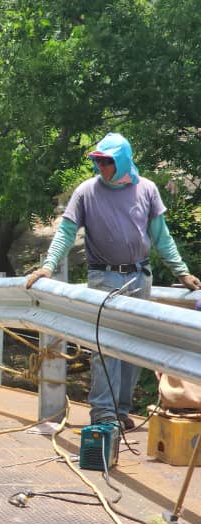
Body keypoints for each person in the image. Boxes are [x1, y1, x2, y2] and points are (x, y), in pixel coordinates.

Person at [25, 132, 201, 428]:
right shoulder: (86, 192)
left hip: (139, 275)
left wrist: (182, 272)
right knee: (104, 347)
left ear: (122, 161)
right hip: (104, 277)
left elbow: (161, 237)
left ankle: (121, 410)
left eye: (106, 162)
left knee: (134, 348)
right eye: (98, 161)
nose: (101, 167)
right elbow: (66, 233)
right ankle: (103, 413)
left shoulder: (146, 189)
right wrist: (48, 266)